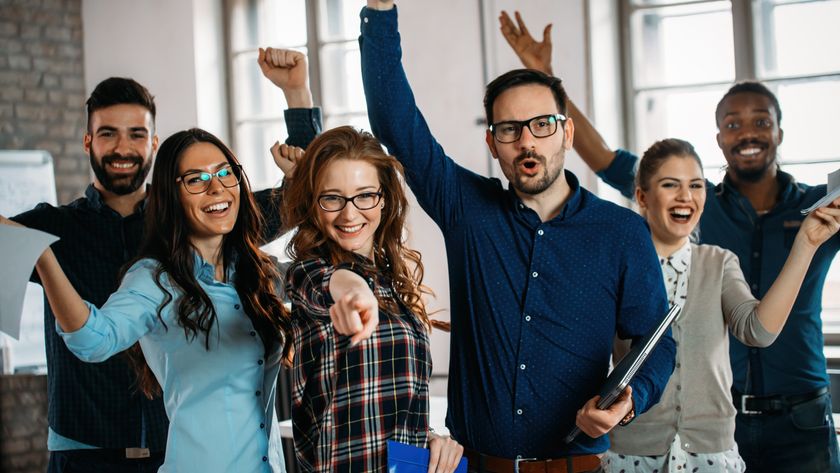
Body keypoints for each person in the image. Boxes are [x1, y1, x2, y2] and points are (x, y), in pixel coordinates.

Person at [499, 11, 840, 472]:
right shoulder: (626, 253)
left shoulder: (812, 213)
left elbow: (757, 329)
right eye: (733, 124)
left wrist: (806, 243)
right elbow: (602, 159)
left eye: (761, 121)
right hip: (647, 445)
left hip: (791, 420)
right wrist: (547, 80)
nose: (748, 133)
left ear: (781, 130)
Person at [360, 3, 676, 471]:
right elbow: (395, 123)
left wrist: (627, 403)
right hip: (479, 464)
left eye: (542, 125)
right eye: (509, 129)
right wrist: (380, 9)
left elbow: (658, 341)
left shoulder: (621, 232)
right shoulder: (466, 209)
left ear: (566, 133)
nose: (527, 142)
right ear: (493, 143)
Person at [10, 67, 315, 472]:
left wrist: (296, 93)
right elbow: (92, 338)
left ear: (153, 144)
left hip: (168, 445)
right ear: (88, 142)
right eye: (108, 134)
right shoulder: (55, 229)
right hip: (84, 452)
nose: (123, 147)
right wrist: (40, 251)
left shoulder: (198, 220)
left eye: (136, 134)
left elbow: (303, 192)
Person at [600, 138, 840, 472]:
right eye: (671, 185)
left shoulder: (719, 263)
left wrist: (807, 243)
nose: (686, 196)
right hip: (632, 454)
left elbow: (758, 331)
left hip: (710, 456)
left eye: (696, 185)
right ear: (642, 196)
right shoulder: (615, 265)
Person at [281, 124, 464, 472]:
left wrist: (428, 439)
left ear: (385, 198)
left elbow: (393, 402)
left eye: (364, 195)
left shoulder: (392, 284)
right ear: (313, 203)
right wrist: (354, 293)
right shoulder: (307, 273)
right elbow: (335, 284)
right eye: (332, 198)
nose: (349, 214)